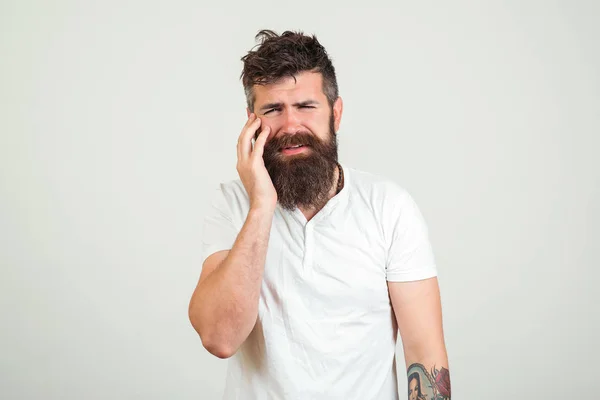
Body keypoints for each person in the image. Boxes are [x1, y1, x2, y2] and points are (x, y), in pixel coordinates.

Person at [188, 29, 451, 399]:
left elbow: (425, 355)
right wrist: (262, 205)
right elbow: (219, 337)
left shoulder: (390, 207)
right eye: (273, 110)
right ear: (251, 122)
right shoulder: (232, 204)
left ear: (336, 113)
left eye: (306, 107)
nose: (291, 125)